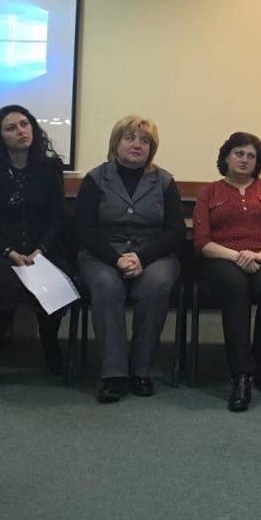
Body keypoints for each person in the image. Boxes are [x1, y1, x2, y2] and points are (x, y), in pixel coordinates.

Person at [75, 115, 185, 403]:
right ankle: (114, 374)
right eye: (130, 138)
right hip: (102, 253)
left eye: (145, 141)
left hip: (154, 253)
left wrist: (141, 258)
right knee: (107, 286)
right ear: (116, 142)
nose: (137, 144)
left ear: (152, 148)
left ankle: (141, 370)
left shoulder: (164, 181)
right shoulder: (96, 178)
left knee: (156, 285)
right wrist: (116, 260)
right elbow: (85, 230)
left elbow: (175, 231)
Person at [0, 104, 70, 389]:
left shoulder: (50, 167)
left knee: (55, 281)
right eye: (11, 128)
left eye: (25, 124)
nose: (21, 131)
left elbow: (57, 217)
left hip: (41, 248)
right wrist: (9, 252)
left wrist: (41, 249)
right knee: (4, 284)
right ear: (0, 136)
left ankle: (50, 344)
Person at [193, 131, 261, 412]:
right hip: (222, 258)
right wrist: (237, 256)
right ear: (226, 156)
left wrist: (259, 255)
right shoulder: (209, 192)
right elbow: (202, 241)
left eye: (252, 156)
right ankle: (240, 375)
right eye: (239, 153)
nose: (245, 159)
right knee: (235, 290)